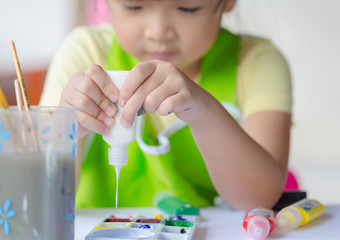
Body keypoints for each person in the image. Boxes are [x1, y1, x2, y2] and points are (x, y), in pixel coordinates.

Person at [40, 0, 292, 211]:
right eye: (133, 6)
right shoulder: (86, 52)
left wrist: (205, 110)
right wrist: (66, 129)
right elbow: (41, 192)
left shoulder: (254, 62)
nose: (159, 31)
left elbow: (260, 197)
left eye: (187, 8)